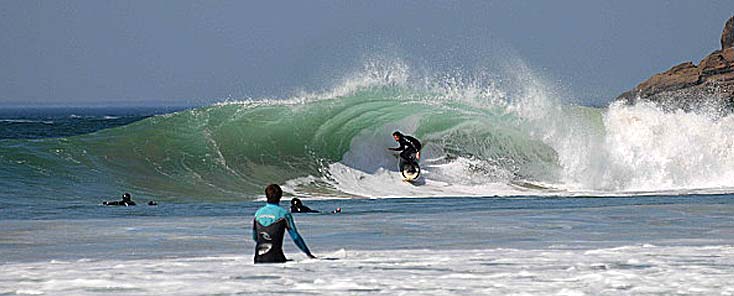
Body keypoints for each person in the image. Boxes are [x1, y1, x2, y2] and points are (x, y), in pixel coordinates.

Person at [252, 184, 316, 263]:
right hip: (277, 259)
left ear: (266, 196)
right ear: (280, 196)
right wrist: (308, 254)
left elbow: (255, 237)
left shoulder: (258, 214)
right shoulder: (284, 214)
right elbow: (295, 237)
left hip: (258, 259)